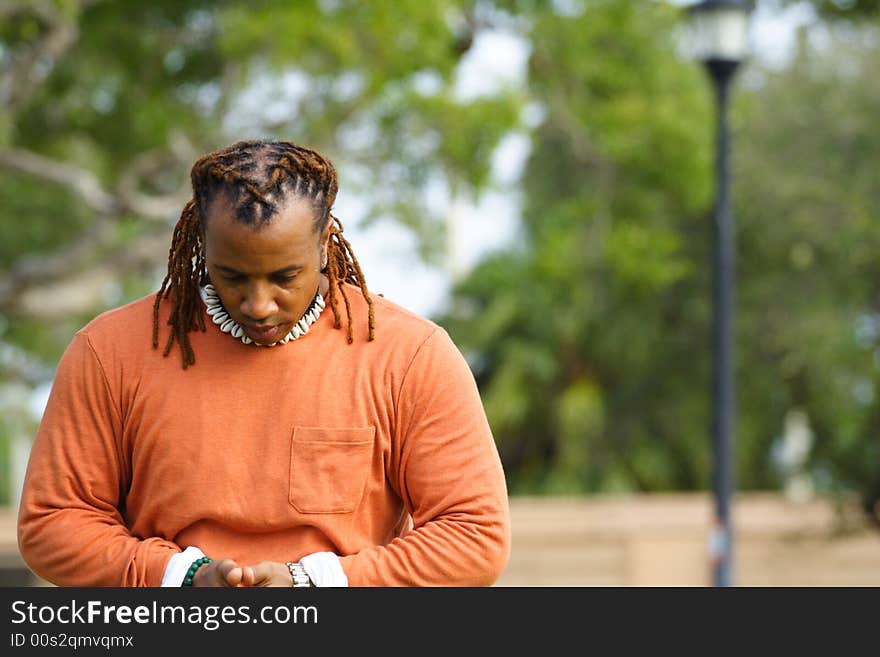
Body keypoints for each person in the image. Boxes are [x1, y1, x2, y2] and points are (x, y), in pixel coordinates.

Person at [17, 139, 510, 587]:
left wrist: (315, 584)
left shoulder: (409, 356)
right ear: (200, 245)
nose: (258, 304)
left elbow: (475, 536)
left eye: (284, 276)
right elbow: (52, 523)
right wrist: (180, 577)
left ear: (324, 244)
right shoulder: (110, 351)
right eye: (232, 275)